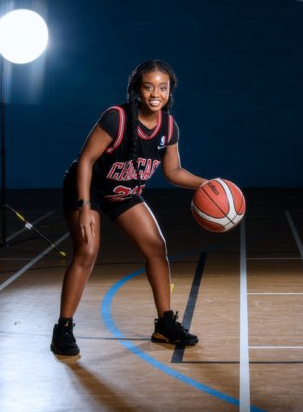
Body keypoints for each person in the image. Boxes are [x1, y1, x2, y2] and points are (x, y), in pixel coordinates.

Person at [51, 60, 207, 356]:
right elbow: (85, 161)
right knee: (87, 250)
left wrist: (208, 184)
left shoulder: (169, 126)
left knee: (155, 246)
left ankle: (165, 324)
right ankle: (63, 328)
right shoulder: (116, 118)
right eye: (148, 87)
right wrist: (84, 206)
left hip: (123, 193)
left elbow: (174, 172)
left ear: (170, 91)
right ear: (137, 89)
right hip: (88, 188)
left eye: (163, 87)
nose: (155, 94)